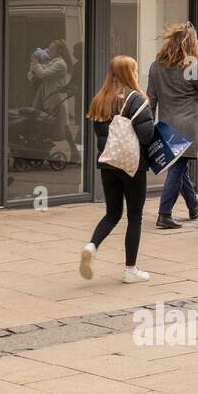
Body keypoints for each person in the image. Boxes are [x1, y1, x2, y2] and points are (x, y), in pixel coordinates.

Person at [79, 55, 155, 283]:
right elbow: (147, 136)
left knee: (112, 213)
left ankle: (92, 246)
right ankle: (130, 269)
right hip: (132, 166)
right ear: (129, 73)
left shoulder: (100, 99)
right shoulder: (136, 100)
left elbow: (100, 134)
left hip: (108, 163)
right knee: (135, 216)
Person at [146, 23, 198, 229]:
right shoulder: (191, 66)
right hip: (187, 127)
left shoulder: (156, 66)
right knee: (177, 168)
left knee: (180, 166)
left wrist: (149, 127)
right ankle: (164, 214)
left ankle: (193, 204)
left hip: (166, 125)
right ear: (190, 44)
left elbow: (151, 100)